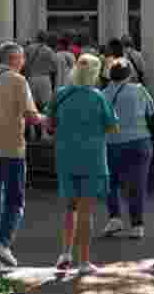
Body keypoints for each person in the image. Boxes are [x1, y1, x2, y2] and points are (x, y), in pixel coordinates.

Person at [0, 41, 47, 270]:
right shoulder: (18, 81)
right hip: (11, 148)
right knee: (15, 200)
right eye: (22, 58)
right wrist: (49, 120)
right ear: (14, 59)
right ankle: (1, 241)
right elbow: (31, 115)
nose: (24, 63)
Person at [49, 53, 119, 275]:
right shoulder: (98, 97)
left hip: (65, 157)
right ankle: (84, 262)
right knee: (86, 212)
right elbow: (112, 127)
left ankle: (65, 253)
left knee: (69, 209)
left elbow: (49, 124)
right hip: (92, 159)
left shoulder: (60, 94)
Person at [101, 58, 154, 239]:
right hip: (139, 141)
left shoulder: (103, 94)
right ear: (129, 74)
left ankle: (114, 217)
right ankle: (137, 224)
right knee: (137, 183)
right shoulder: (140, 90)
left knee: (111, 182)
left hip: (111, 143)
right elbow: (151, 115)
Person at [23, 32, 58, 127]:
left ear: (36, 38)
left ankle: (31, 132)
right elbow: (54, 67)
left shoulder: (28, 49)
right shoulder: (49, 50)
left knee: (30, 106)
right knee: (46, 107)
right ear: (45, 39)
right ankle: (44, 132)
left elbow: (23, 64)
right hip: (44, 79)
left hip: (31, 78)